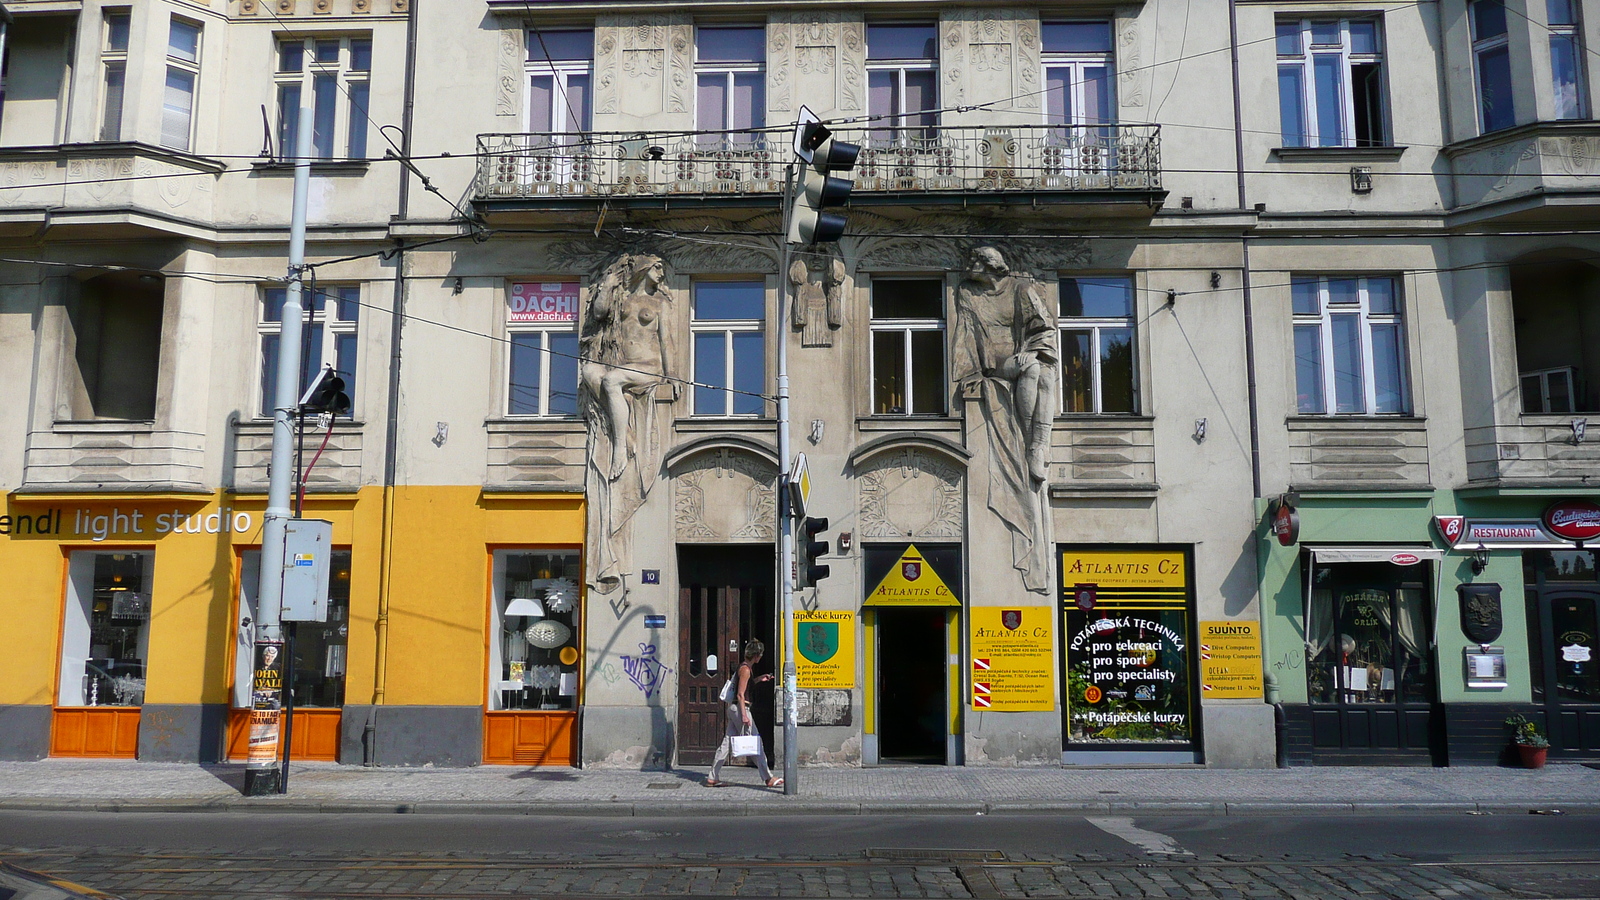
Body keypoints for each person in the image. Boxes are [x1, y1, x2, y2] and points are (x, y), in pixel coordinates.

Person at [706, 639, 782, 788]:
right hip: (741, 709)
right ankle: (768, 778)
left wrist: (759, 679)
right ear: (756, 655)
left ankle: (712, 777)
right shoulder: (746, 670)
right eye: (760, 654)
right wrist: (744, 715)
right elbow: (741, 694)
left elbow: (746, 686)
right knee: (756, 742)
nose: (760, 657)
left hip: (734, 709)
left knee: (726, 744)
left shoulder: (744, 668)